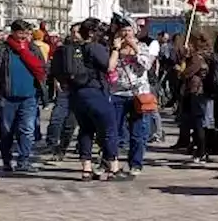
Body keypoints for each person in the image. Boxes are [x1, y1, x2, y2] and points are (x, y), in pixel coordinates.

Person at [0, 19, 47, 173]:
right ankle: (7, 161)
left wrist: (43, 91)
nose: (23, 37)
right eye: (20, 33)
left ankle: (24, 160)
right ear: (13, 32)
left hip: (29, 97)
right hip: (7, 97)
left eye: (26, 33)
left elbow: (42, 69)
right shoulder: (2, 50)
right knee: (7, 131)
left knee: (27, 130)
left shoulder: (33, 49)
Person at [67, 18, 122, 180]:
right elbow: (109, 66)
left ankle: (86, 169)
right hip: (95, 92)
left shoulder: (75, 48)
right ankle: (113, 167)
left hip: (78, 95)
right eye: (98, 30)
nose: (102, 33)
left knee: (86, 130)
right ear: (91, 33)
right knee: (109, 129)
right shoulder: (94, 47)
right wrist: (116, 49)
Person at [108, 17, 154, 176]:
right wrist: (116, 49)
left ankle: (136, 163)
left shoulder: (142, 46)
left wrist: (135, 48)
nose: (126, 33)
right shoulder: (114, 47)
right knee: (113, 129)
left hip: (138, 94)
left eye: (129, 30)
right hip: (118, 92)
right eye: (123, 30)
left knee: (137, 132)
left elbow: (147, 65)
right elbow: (110, 67)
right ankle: (111, 161)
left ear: (135, 31)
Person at [45, 22, 80, 160]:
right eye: (73, 32)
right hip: (64, 88)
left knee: (70, 123)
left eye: (77, 32)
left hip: (79, 90)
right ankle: (52, 143)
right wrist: (56, 80)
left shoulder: (86, 49)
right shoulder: (62, 50)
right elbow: (54, 68)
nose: (75, 35)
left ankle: (62, 148)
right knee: (56, 118)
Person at [178, 34, 212, 163]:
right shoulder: (192, 57)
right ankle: (197, 148)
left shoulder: (197, 58)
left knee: (198, 123)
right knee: (193, 122)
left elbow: (187, 73)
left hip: (197, 92)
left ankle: (202, 150)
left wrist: (181, 72)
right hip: (191, 92)